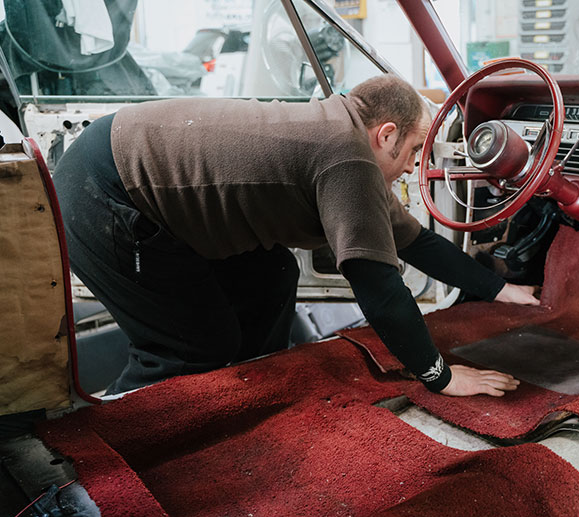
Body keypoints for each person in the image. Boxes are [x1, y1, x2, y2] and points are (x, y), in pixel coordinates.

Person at [54, 74, 538, 397]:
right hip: (106, 192)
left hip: (116, 164)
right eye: (413, 149)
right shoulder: (347, 159)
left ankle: (237, 398)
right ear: (385, 134)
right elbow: (381, 291)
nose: (415, 166)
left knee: (273, 274)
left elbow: (414, 241)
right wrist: (440, 377)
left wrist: (499, 288)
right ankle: (106, 441)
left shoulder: (340, 134)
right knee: (193, 347)